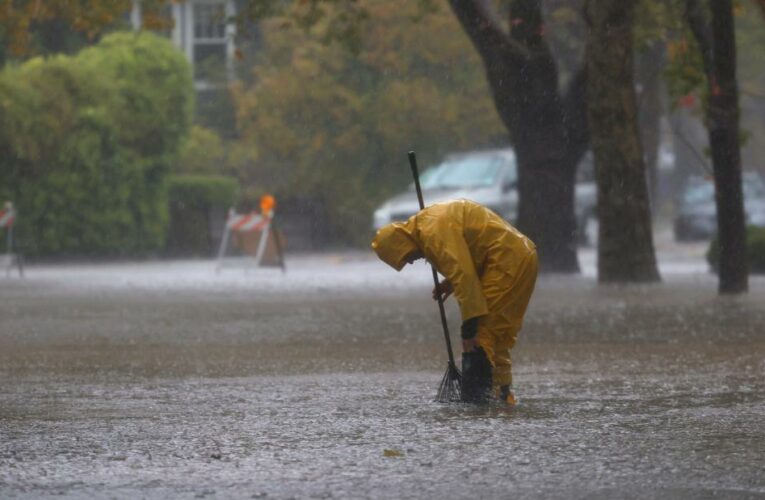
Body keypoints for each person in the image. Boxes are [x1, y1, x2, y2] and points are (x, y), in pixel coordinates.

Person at [371, 199, 538, 404]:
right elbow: (468, 256)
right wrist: (449, 283)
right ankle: (502, 398)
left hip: (506, 260)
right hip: (521, 254)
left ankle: (478, 403)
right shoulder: (428, 225)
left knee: (481, 335)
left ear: (400, 245)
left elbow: (465, 277)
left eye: (406, 258)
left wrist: (468, 328)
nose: (411, 261)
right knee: (498, 337)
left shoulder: (431, 231)